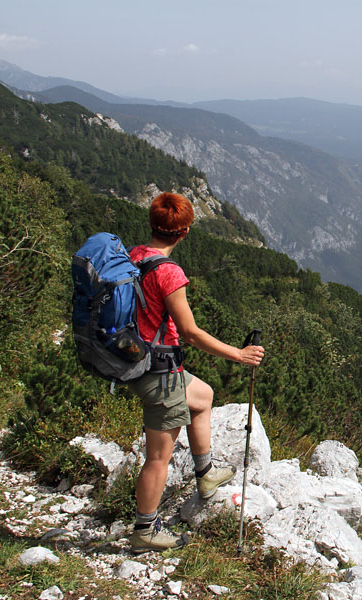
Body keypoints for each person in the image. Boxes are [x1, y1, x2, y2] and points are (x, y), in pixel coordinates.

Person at [126, 192, 265, 553]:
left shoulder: (134, 256)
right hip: (158, 370)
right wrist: (238, 354)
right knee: (158, 457)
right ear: (184, 232)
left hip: (139, 360)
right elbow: (190, 332)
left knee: (202, 396)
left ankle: (205, 475)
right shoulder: (168, 272)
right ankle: (145, 530)